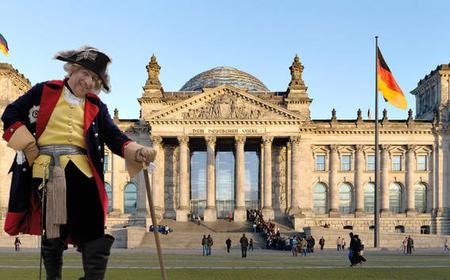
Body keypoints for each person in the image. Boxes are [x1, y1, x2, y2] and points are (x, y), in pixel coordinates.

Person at [1, 46, 156, 280]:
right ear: (72, 69)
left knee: (94, 226)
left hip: (84, 170)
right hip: (48, 168)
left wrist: (137, 150)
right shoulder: (44, 91)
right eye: (86, 73)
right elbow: (11, 113)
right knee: (54, 228)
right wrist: (28, 143)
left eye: (95, 78)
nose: (89, 81)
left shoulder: (96, 106)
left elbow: (115, 137)